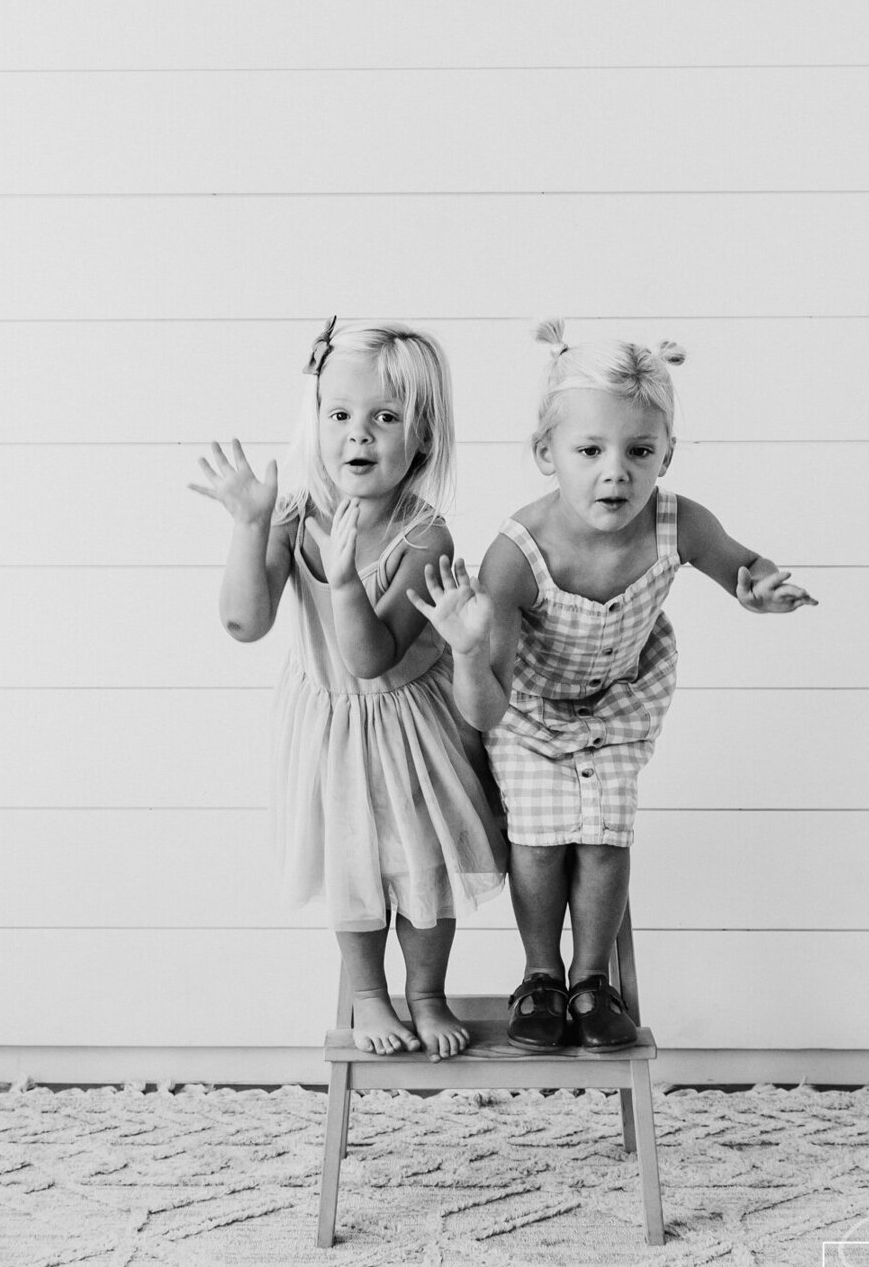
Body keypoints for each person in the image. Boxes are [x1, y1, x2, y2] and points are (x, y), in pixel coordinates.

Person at [409, 319, 816, 1052]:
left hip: (622, 702)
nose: (616, 472)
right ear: (547, 454)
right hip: (528, 710)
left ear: (667, 454)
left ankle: (591, 982)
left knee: (602, 833)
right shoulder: (515, 554)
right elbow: (489, 705)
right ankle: (541, 976)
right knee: (538, 839)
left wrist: (759, 589)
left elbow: (740, 564)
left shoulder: (676, 521)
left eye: (639, 451)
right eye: (589, 451)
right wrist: (467, 654)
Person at [190, 318, 505, 1059]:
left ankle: (425, 992)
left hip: (407, 724)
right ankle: (369, 994)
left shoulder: (424, 534)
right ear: (316, 422)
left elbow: (370, 655)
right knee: (354, 864)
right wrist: (249, 525)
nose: (357, 435)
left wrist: (340, 577)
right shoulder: (296, 514)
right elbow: (245, 621)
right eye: (340, 416)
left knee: (419, 865)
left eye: (384, 418)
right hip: (329, 727)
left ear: (420, 439)